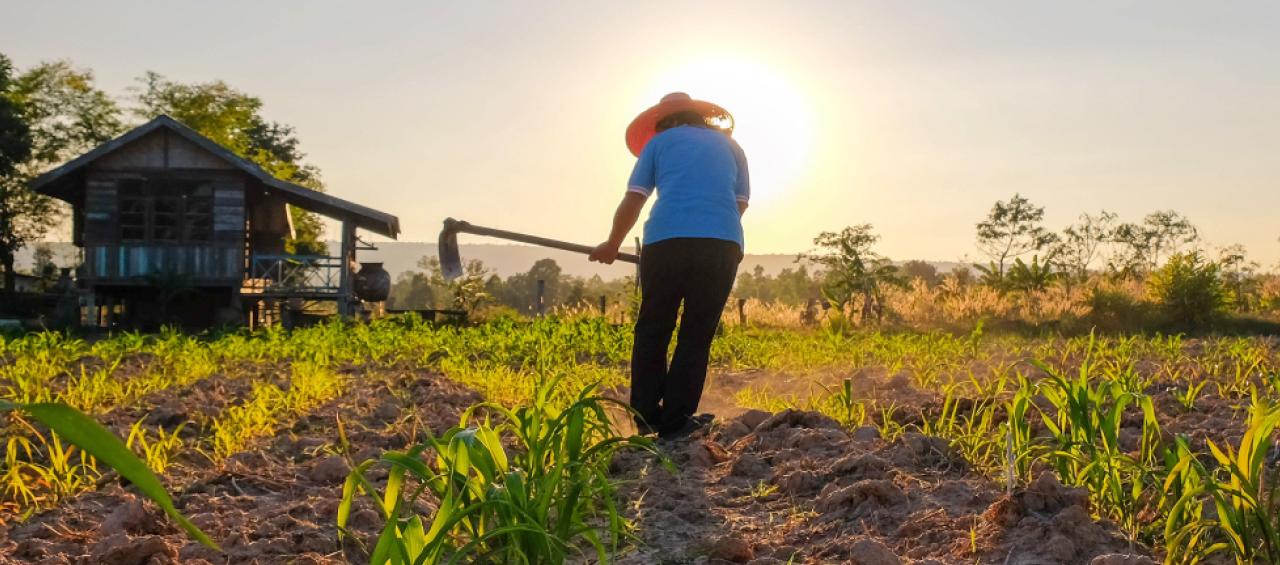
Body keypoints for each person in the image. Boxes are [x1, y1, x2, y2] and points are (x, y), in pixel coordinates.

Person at [589, 92, 749, 439]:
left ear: (664, 121)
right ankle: (676, 421)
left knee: (653, 328)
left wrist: (613, 244)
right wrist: (712, 234)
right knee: (696, 332)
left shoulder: (660, 143)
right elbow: (739, 203)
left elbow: (635, 196)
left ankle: (646, 416)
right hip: (720, 244)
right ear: (698, 117)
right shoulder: (732, 148)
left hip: (665, 242)